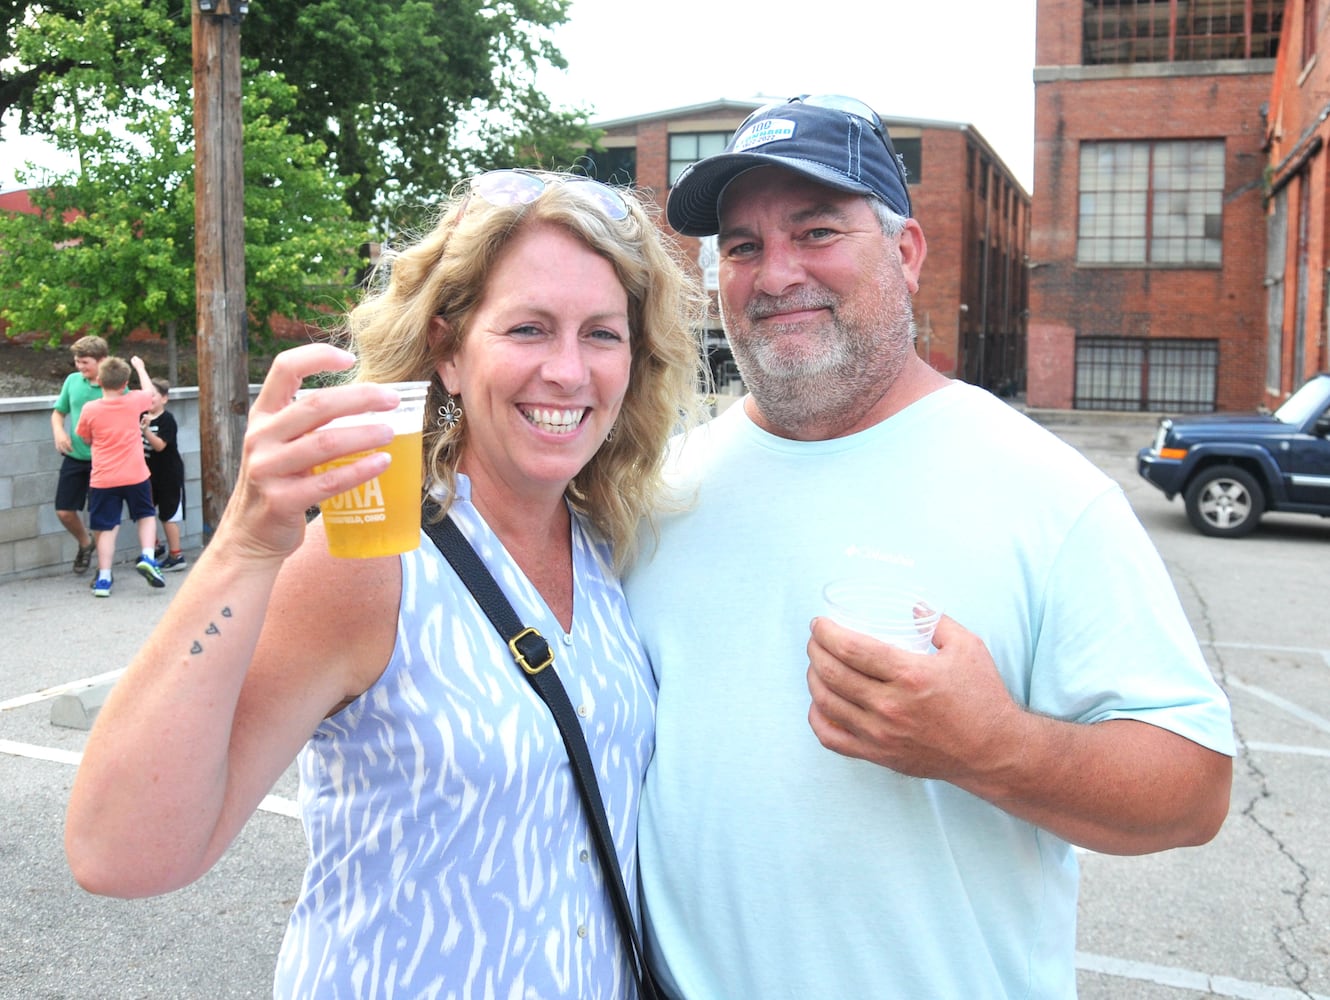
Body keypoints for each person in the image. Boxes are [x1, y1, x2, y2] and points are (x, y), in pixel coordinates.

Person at [623, 95, 1236, 999]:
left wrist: (992, 746)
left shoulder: (1045, 493)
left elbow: (1194, 789)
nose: (777, 271)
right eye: (744, 247)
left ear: (906, 255)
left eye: (818, 230)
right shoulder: (663, 489)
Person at [65, 169, 707, 997]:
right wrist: (246, 547)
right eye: (527, 328)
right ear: (446, 349)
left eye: (602, 334)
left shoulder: (606, 544)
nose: (567, 371)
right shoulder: (369, 560)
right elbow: (120, 853)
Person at [75, 355, 167, 597]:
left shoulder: (90, 409)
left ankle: (104, 578)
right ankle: (148, 556)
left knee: (107, 527)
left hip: (103, 478)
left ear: (99, 380)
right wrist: (140, 367)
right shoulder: (133, 401)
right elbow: (149, 393)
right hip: (135, 474)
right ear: (125, 382)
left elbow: (84, 438)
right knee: (146, 515)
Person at [50, 335, 108, 573]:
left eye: (86, 362)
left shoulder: (115, 385)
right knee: (64, 511)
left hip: (104, 461)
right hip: (75, 457)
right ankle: (86, 543)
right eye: (78, 361)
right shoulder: (72, 381)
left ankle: (103, 570)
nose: (80, 367)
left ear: (102, 360)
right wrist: (59, 433)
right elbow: (58, 413)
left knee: (99, 516)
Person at [140, 376, 188, 571]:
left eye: (154, 396)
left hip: (169, 475)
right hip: (146, 475)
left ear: (164, 399)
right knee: (146, 513)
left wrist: (146, 432)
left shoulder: (167, 419)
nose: (149, 399)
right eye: (147, 396)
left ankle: (176, 555)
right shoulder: (141, 415)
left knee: (167, 515)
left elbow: (159, 446)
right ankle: (155, 548)